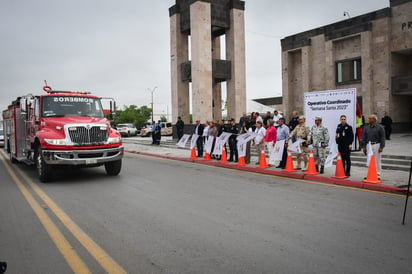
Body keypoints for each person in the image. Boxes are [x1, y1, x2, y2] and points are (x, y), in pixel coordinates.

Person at [362, 114, 385, 179]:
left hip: (377, 145)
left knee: (377, 159)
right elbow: (364, 138)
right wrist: (364, 147)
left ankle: (378, 174)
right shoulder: (366, 128)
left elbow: (382, 138)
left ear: (374, 119)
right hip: (369, 145)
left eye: (370, 118)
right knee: (369, 160)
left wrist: (381, 147)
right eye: (369, 118)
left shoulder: (380, 127)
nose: (369, 120)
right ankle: (370, 173)